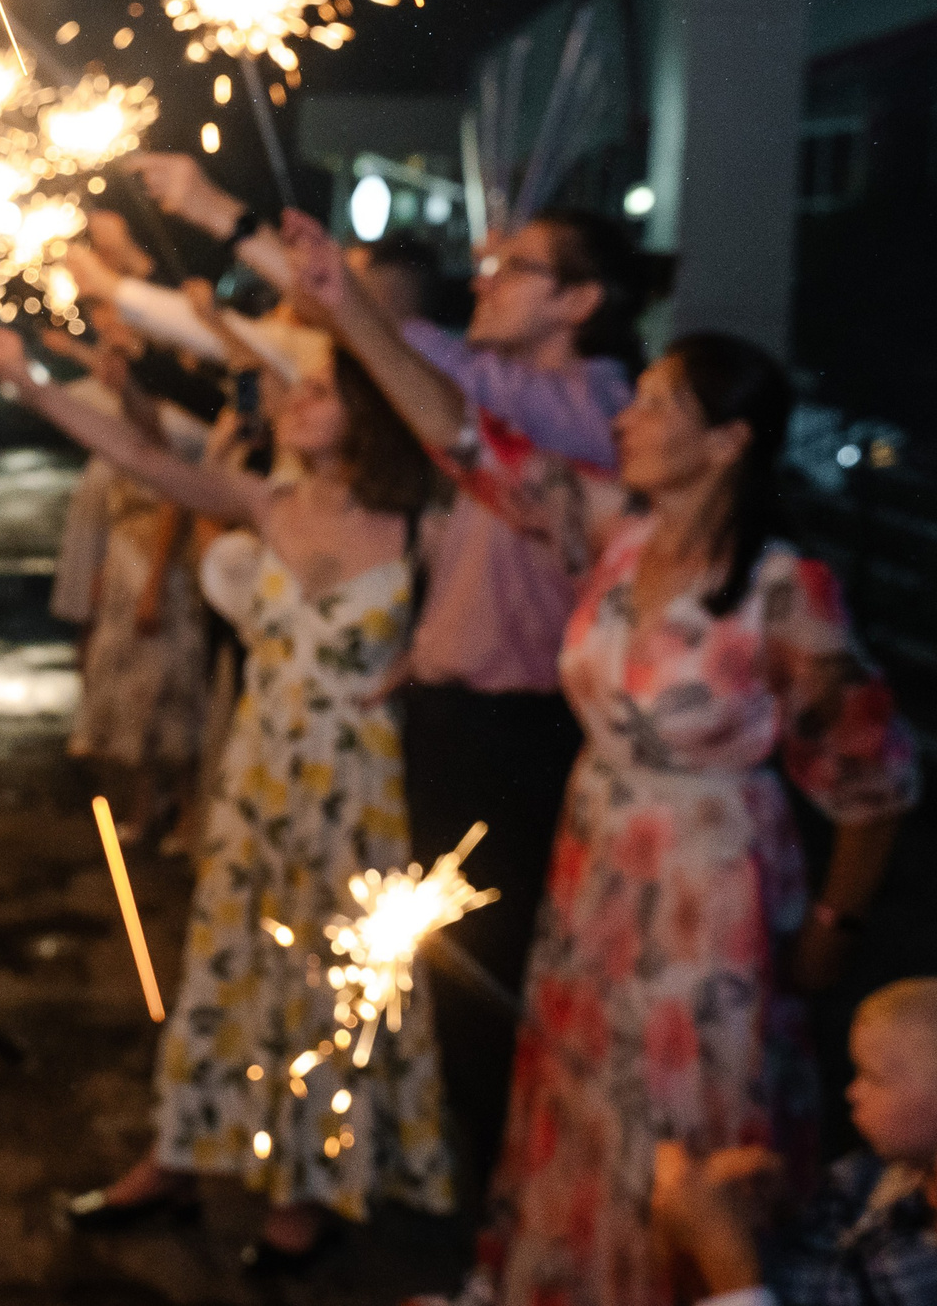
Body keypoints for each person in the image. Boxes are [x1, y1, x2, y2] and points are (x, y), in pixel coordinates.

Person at [283, 218, 918, 1306]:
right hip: (597, 870)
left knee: (676, 1109)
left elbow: (877, 775)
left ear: (724, 442)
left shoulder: (782, 590)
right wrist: (348, 306)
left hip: (704, 891)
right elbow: (465, 442)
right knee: (581, 1095)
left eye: (659, 404)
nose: (625, 414)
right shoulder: (612, 534)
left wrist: (831, 930)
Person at [138, 150, 650, 1192]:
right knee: (430, 976)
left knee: (489, 980)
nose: (485, 281)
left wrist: (218, 212)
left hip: (520, 732)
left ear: (582, 300)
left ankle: (512, 1212)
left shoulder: (586, 400)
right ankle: (445, 1190)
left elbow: (401, 356)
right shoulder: (503, 398)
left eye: (515, 270)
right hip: (445, 713)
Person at [0, 296, 453, 1269]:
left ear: (368, 404)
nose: (292, 399)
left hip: (358, 792)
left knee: (329, 983)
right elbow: (144, 460)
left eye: (316, 386)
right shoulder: (268, 500)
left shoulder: (423, 524)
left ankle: (305, 1184)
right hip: (261, 772)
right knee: (225, 962)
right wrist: (28, 384)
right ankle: (179, 1151)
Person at [651, 978, 937, 1306]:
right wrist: (785, 1206)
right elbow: (830, 1256)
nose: (852, 1092)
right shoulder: (874, 1172)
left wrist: (720, 1250)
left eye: (875, 1078)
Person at [38, 329, 212, 843]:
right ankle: (143, 806)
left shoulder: (174, 429)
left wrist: (155, 583)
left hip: (160, 566)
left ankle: (184, 812)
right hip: (122, 559)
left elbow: (172, 507)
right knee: (131, 692)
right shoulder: (122, 426)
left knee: (171, 691)